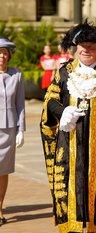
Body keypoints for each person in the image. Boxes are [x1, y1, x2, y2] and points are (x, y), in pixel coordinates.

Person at [40, 21, 96, 233]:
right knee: (71, 189)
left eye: (92, 46)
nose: (86, 50)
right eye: (82, 46)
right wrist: (63, 113)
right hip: (69, 147)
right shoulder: (63, 73)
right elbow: (50, 100)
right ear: (75, 48)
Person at [0, 37, 25, 226]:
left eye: (4, 53)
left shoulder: (17, 75)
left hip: (8, 129)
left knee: (3, 170)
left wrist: (20, 130)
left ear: (9, 56)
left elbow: (20, 104)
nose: (1, 56)